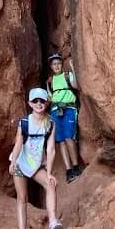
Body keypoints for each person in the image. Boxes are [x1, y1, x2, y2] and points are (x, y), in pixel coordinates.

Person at [8, 88, 64, 229]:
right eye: (35, 101)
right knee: (22, 197)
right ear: (30, 103)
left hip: (35, 164)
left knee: (50, 184)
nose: (39, 104)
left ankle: (53, 222)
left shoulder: (50, 123)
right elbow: (18, 142)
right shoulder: (25, 122)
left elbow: (51, 149)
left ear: (47, 102)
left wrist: (50, 172)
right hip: (20, 162)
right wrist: (12, 162)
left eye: (42, 101)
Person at [46, 52, 82, 182]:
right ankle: (69, 170)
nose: (57, 66)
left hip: (69, 109)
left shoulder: (67, 75)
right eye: (54, 64)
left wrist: (72, 68)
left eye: (59, 63)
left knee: (69, 138)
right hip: (56, 111)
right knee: (61, 141)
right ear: (51, 66)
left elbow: (76, 86)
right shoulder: (50, 81)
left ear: (62, 64)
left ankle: (76, 166)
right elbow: (50, 98)